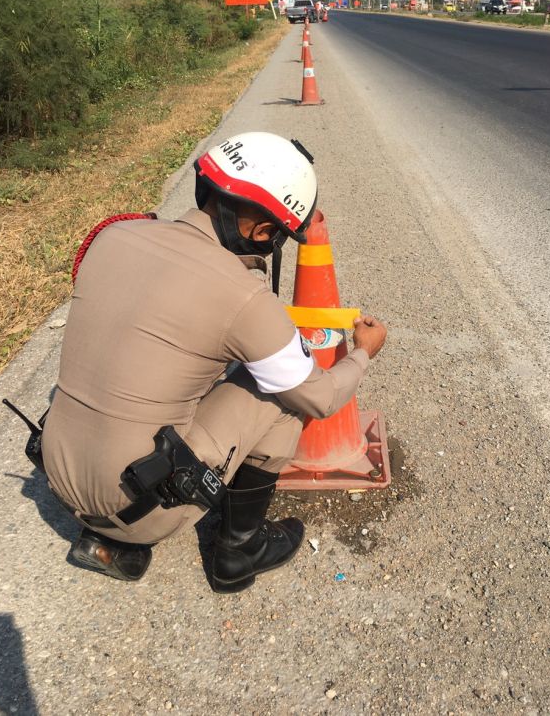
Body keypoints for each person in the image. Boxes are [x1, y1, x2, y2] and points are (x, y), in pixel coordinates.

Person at [41, 132, 387, 592]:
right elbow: (320, 398)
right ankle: (239, 549)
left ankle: (110, 537)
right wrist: (363, 352)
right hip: (138, 510)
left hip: (58, 478)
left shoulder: (113, 235)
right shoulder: (243, 296)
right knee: (282, 391)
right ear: (263, 232)